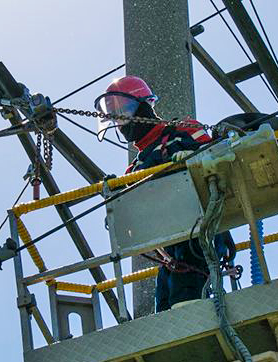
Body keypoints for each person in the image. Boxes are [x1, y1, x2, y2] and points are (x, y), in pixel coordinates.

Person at [94, 76, 236, 312]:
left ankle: (190, 319)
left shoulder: (181, 131)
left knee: (185, 295)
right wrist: (116, 193)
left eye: (125, 111)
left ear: (144, 106)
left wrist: (191, 157)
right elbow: (129, 214)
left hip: (199, 230)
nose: (121, 122)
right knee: (164, 304)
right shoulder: (135, 168)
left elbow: (214, 154)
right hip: (170, 249)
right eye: (116, 117)